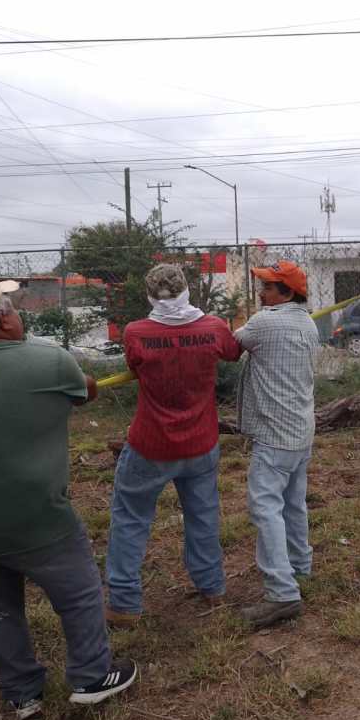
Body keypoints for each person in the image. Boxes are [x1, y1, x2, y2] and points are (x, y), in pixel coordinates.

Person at [0, 273, 135, 720]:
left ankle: (22, 692)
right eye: (13, 307)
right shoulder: (47, 361)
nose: (18, 314)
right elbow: (83, 393)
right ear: (2, 319)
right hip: (36, 519)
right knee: (78, 592)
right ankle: (91, 678)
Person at [105, 264, 242, 625]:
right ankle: (213, 589)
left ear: (150, 295)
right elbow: (232, 351)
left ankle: (123, 604)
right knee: (203, 517)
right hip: (200, 444)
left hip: (150, 445)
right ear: (186, 290)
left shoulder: (136, 332)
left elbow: (134, 367)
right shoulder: (213, 327)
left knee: (130, 519)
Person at [234, 260, 319, 628]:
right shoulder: (309, 322)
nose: (261, 292)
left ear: (287, 291)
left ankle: (282, 592)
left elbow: (227, 345)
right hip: (301, 432)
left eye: (268, 286)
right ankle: (300, 567)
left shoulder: (264, 323)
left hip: (274, 436)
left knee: (265, 508)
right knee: (292, 504)